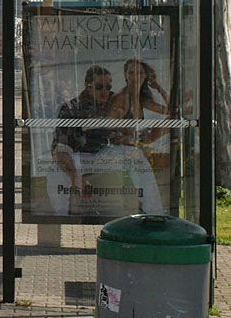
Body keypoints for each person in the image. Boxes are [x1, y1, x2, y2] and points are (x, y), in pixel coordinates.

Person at [49, 64, 164, 215]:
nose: (105, 91)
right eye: (99, 87)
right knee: (55, 171)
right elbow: (61, 149)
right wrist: (75, 177)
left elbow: (129, 133)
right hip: (79, 157)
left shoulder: (115, 101)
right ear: (87, 86)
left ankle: (155, 214)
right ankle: (59, 217)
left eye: (108, 87)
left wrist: (127, 137)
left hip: (105, 154)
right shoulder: (72, 108)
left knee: (138, 158)